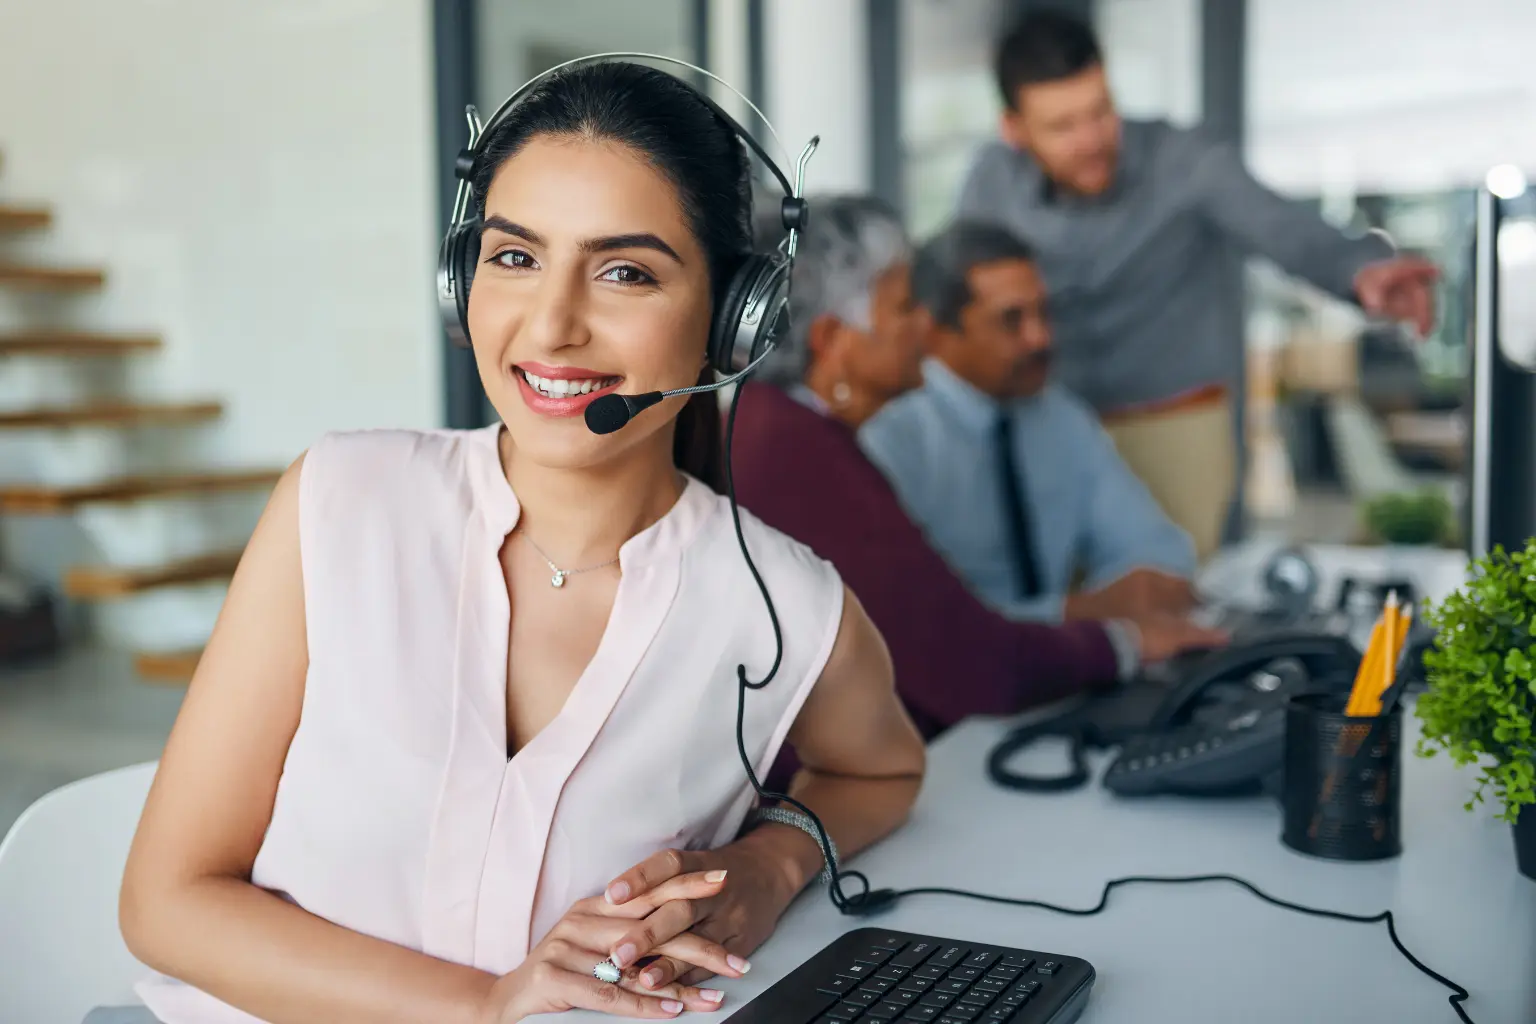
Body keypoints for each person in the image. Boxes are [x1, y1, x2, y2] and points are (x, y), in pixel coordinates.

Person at [113, 62, 925, 1024]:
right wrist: (487, 1004)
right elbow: (165, 905)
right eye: (514, 257)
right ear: (465, 280)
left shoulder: (784, 606)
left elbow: (884, 770)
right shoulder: (340, 502)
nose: (552, 324)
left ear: (736, 317)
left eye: (626, 271)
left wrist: (771, 862)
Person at [730, 195, 1225, 772]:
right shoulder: (797, 450)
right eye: (907, 305)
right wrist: (1124, 640)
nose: (926, 326)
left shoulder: (787, 430)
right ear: (833, 343)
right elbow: (966, 658)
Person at [958, 9, 1439, 560]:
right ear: (1013, 130)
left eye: (1100, 111)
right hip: (1051, 424)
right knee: (1067, 613)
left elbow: (1279, 225)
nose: (1091, 139)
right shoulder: (988, 185)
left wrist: (1360, 269)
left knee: (1176, 594)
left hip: (1174, 422)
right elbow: (960, 293)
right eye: (1062, 126)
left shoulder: (1184, 160)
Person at [861, 220, 1202, 627]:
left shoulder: (1060, 418)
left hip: (1080, 667)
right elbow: (911, 620)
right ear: (933, 333)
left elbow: (1158, 547)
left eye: (1043, 312)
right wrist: (1072, 613)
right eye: (1011, 319)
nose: (1040, 338)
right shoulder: (891, 436)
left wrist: (1143, 583)